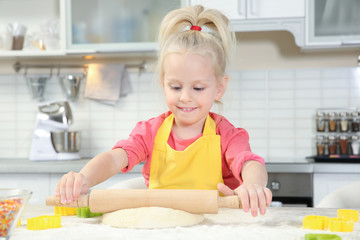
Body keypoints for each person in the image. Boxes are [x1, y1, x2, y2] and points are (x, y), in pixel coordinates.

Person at [55, 5, 272, 217]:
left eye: (198, 88)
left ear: (219, 88)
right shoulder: (151, 131)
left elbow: (249, 162)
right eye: (175, 87)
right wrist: (83, 178)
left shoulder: (225, 135)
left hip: (214, 228)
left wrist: (252, 185)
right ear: (163, 83)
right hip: (162, 228)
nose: (185, 96)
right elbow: (114, 159)